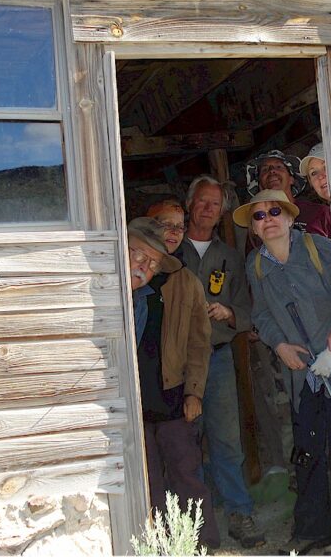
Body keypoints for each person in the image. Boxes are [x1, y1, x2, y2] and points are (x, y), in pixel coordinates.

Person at [233, 190, 331, 556]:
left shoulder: (319, 249)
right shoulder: (255, 266)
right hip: (303, 375)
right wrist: (279, 346)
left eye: (275, 211)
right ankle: (309, 530)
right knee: (307, 449)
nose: (268, 219)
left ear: (290, 218)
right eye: (259, 216)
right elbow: (260, 315)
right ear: (254, 228)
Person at [176, 177, 266, 549]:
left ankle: (239, 513)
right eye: (202, 201)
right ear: (189, 203)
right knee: (185, 444)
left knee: (227, 440)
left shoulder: (230, 257)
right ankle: (194, 526)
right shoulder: (170, 249)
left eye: (215, 204)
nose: (208, 208)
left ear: (222, 211)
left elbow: (247, 310)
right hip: (174, 365)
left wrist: (229, 312)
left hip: (218, 359)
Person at [127, 216, 220, 550]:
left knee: (187, 475)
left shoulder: (184, 284)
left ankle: (202, 545)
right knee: (148, 481)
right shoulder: (113, 295)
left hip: (171, 398)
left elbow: (199, 342)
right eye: (139, 255)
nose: (144, 265)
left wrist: (194, 392)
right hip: (131, 406)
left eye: (151, 262)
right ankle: (160, 546)